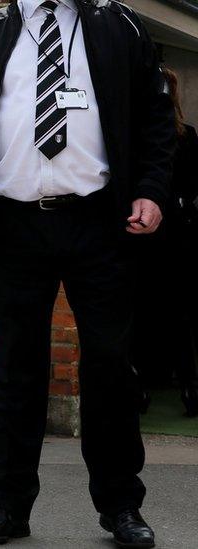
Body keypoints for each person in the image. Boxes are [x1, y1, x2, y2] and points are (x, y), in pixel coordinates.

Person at [0, 2, 176, 547]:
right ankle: (6, 506)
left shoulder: (119, 24)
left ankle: (121, 507)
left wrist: (152, 188)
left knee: (110, 368)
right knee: (14, 369)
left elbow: (156, 118)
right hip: (14, 225)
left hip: (100, 223)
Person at [131, 66, 198, 418]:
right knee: (180, 314)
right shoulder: (186, 135)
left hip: (141, 234)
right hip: (179, 238)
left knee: (140, 311)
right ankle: (190, 386)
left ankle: (140, 386)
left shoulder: (135, 137)